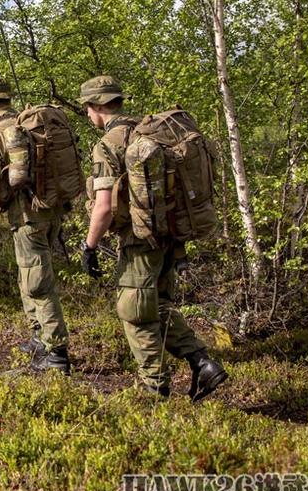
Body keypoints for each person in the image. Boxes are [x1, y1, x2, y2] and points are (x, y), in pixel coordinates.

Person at [78, 75, 228, 400]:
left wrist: (89, 246)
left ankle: (154, 391)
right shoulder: (148, 133)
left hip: (139, 241)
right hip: (170, 238)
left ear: (96, 107)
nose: (88, 116)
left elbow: (103, 207)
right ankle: (202, 363)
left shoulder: (108, 145)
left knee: (135, 312)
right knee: (159, 305)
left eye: (87, 109)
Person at [0, 78, 70, 374]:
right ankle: (38, 338)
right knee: (28, 276)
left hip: (27, 217)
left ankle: (57, 354)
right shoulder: (32, 126)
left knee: (39, 285)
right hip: (51, 212)